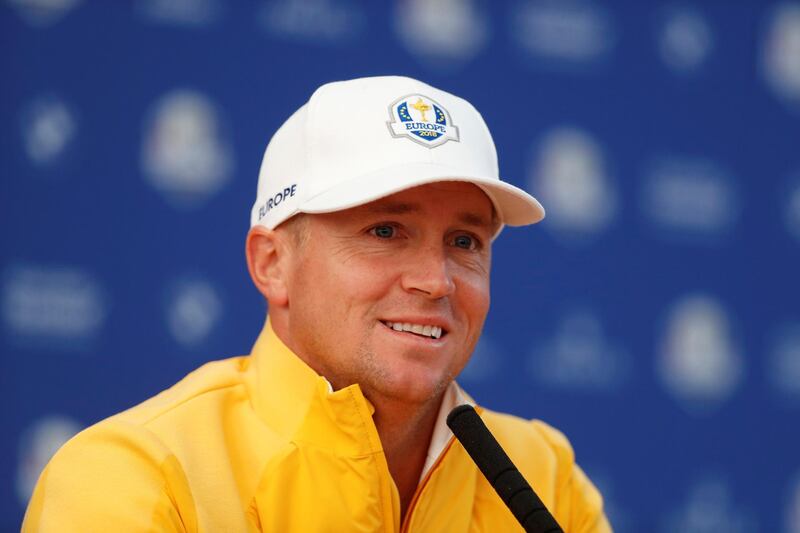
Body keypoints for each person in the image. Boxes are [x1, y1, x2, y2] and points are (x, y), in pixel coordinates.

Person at [23, 76, 612, 532]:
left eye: (464, 242)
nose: (435, 281)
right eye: (385, 231)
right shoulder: (135, 477)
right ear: (272, 264)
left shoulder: (543, 476)